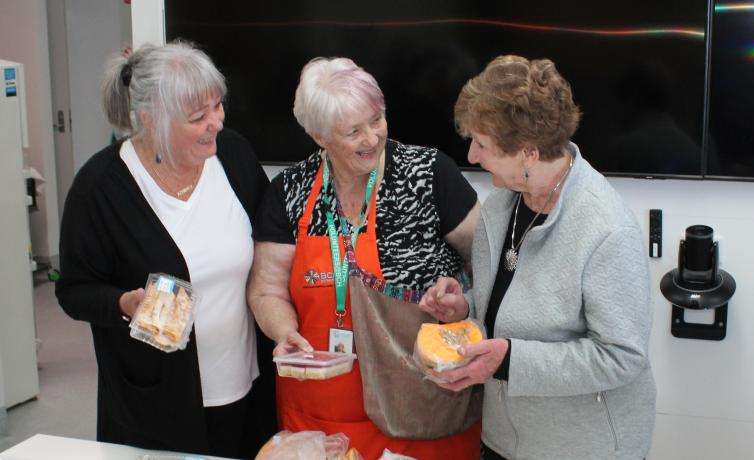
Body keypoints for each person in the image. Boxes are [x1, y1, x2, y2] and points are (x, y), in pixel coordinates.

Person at [419, 55, 656, 459]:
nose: (473, 156)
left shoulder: (606, 229)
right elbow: (503, 308)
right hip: (504, 437)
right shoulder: (499, 207)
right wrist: (464, 308)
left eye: (483, 144)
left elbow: (622, 356)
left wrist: (509, 360)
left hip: (582, 447)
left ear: (528, 153)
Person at [249, 57, 481, 459]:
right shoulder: (290, 191)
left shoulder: (428, 175)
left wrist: (462, 302)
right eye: (353, 131)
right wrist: (285, 331)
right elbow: (266, 290)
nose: (372, 138)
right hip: (320, 418)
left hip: (419, 411)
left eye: (377, 120)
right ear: (319, 136)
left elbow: (488, 268)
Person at [55, 41, 276, 458]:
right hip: (157, 405)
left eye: (218, 106)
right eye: (198, 116)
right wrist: (124, 302)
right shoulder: (100, 187)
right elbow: (74, 291)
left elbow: (269, 248)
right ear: (149, 119)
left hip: (244, 383)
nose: (216, 122)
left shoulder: (234, 155)